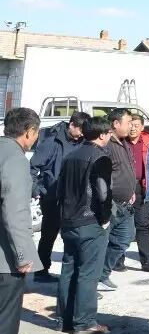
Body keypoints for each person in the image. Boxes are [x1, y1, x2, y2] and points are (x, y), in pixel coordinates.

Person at [56, 116, 113, 334]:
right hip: (90, 221)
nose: (110, 136)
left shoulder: (70, 155)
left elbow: (60, 188)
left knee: (68, 270)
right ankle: (85, 321)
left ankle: (64, 319)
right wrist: (105, 217)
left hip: (68, 220)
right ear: (102, 135)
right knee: (89, 272)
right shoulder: (100, 157)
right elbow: (103, 192)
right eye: (108, 132)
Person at [1, 108, 40, 334]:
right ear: (29, 132)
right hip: (4, 260)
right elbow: (15, 213)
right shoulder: (15, 160)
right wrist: (24, 255)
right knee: (4, 323)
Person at [28, 111, 88, 283]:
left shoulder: (82, 142)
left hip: (74, 198)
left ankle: (70, 274)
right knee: (49, 235)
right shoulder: (52, 142)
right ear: (72, 125)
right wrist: (37, 190)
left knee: (72, 236)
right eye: (80, 130)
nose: (82, 135)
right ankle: (41, 271)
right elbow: (32, 167)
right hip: (52, 197)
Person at [98, 108, 136, 291]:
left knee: (124, 238)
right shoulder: (107, 145)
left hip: (126, 204)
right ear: (116, 123)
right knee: (101, 242)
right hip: (111, 204)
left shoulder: (124, 143)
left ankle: (102, 274)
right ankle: (94, 278)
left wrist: (131, 190)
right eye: (128, 123)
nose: (131, 127)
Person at [121, 115, 149, 273]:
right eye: (131, 125)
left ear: (142, 127)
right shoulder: (121, 142)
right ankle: (117, 261)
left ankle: (147, 262)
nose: (133, 128)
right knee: (121, 225)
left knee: (143, 226)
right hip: (123, 187)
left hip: (141, 188)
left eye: (136, 125)